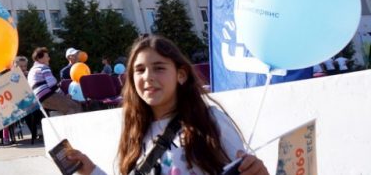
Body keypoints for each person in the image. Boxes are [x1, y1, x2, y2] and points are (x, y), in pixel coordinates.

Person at [66, 36, 269, 175]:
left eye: (159, 68)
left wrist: (258, 171)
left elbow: (243, 168)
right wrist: (90, 168)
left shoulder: (210, 121)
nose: (148, 77)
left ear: (180, 74)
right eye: (140, 70)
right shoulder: (134, 132)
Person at [28, 47, 81, 116]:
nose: (49, 58)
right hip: (47, 96)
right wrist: (64, 95)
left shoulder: (32, 70)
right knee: (74, 106)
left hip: (40, 100)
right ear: (39, 59)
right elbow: (52, 85)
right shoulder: (43, 67)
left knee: (70, 105)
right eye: (47, 56)